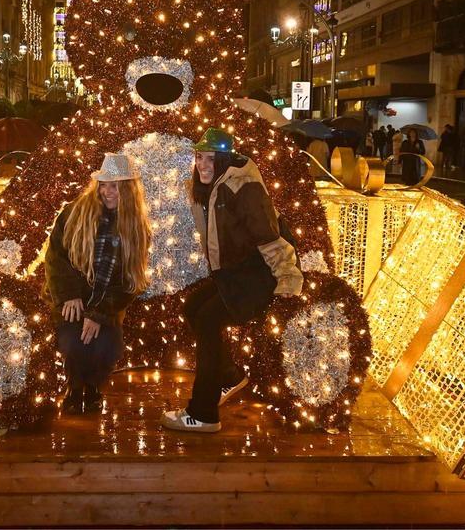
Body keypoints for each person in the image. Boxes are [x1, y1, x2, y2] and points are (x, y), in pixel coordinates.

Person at [162, 128, 303, 434]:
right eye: (199, 157)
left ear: (224, 160)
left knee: (209, 320)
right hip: (236, 273)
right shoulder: (209, 186)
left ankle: (203, 413)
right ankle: (228, 376)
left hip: (259, 273)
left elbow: (269, 237)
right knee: (193, 307)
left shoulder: (244, 185)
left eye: (210, 158)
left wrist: (288, 279)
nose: (202, 164)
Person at [46, 154, 151, 414]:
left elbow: (131, 281)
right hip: (74, 296)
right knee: (72, 340)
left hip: (107, 300)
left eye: (114, 186)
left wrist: (99, 313)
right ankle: (75, 387)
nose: (107, 192)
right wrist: (69, 294)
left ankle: (93, 386)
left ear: (127, 189)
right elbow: (55, 255)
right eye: (103, 185)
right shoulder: (74, 212)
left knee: (106, 344)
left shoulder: (136, 227)